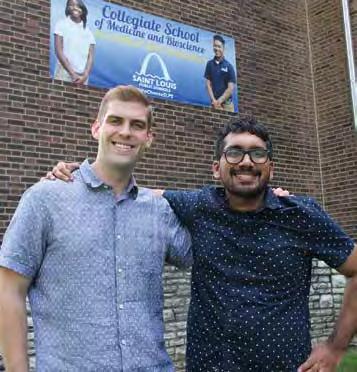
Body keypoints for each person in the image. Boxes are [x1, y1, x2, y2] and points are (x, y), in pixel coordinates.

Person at [50, 117, 357, 372]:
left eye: (257, 154)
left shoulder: (302, 215)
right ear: (216, 168)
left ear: (271, 168)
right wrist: (80, 175)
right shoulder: (199, 206)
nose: (247, 162)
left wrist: (335, 346)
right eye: (235, 153)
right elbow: (130, 194)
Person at [0, 85, 192, 371]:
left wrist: (267, 203)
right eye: (116, 121)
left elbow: (210, 252)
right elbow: (8, 288)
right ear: (96, 128)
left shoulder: (159, 212)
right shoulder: (46, 199)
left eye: (137, 125)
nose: (125, 131)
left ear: (148, 139)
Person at [54, 0, 95, 85]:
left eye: (78, 6)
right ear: (67, 8)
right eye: (71, 5)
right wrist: (72, 73)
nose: (75, 8)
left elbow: (90, 56)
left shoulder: (88, 32)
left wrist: (86, 75)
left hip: (82, 76)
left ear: (82, 9)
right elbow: (58, 51)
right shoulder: (61, 24)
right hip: (64, 73)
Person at [204, 34, 236, 112]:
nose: (217, 49)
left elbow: (230, 88)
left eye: (219, 46)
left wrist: (219, 101)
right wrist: (214, 100)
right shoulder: (209, 64)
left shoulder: (229, 66)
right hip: (214, 104)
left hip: (227, 105)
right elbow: (208, 84)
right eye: (215, 46)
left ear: (223, 48)